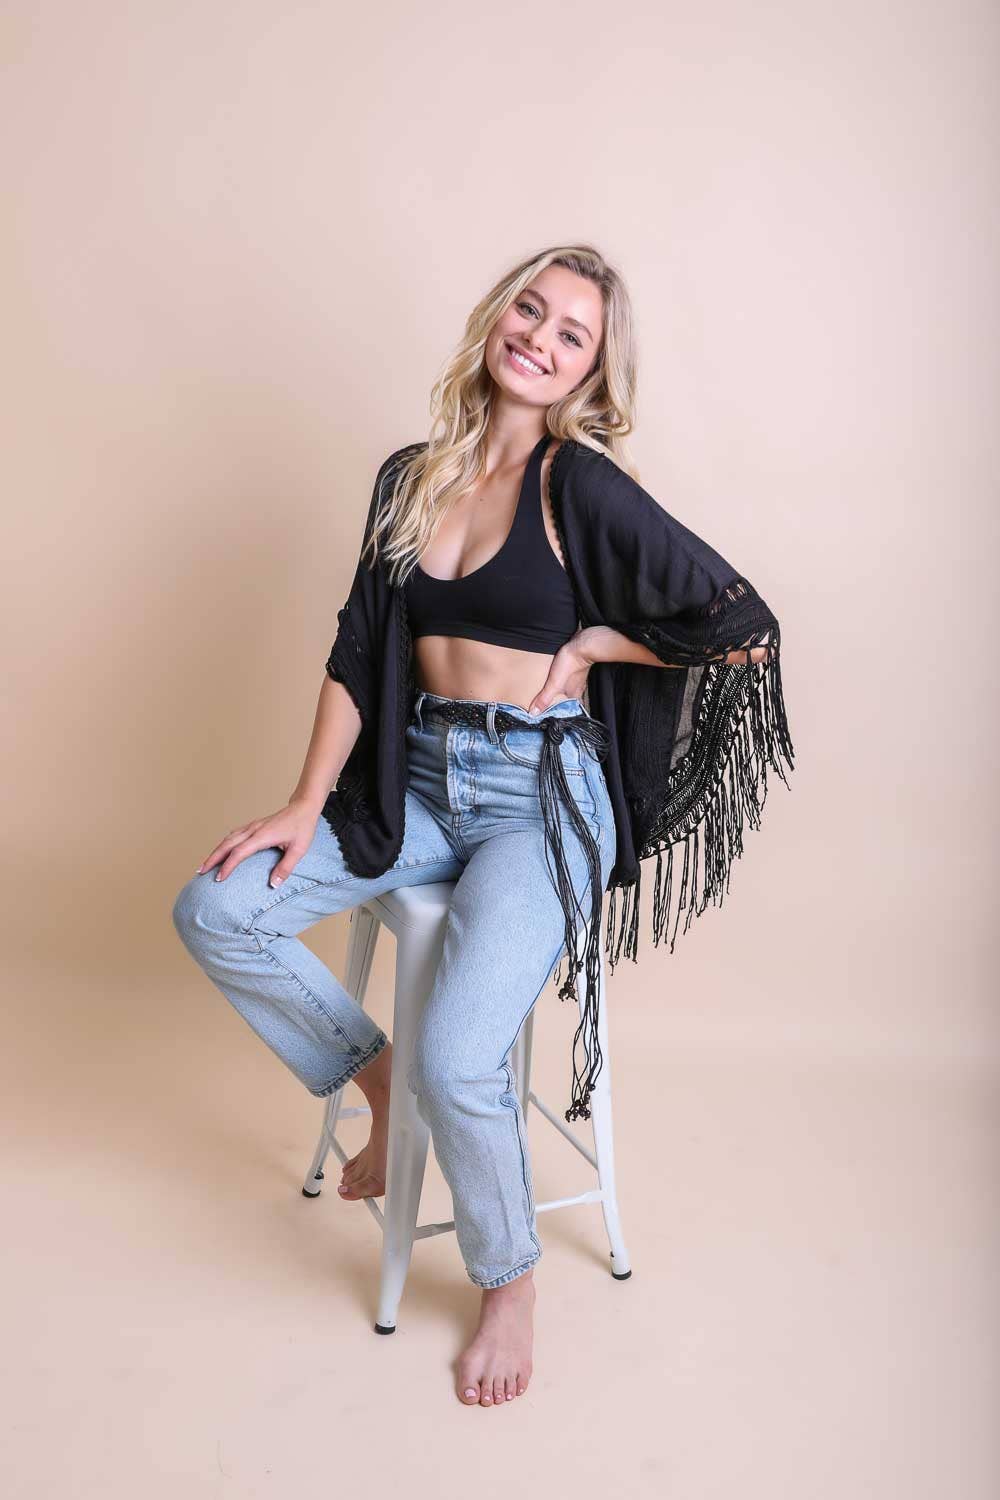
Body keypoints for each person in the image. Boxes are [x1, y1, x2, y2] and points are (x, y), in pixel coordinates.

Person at [172, 243, 794, 1411]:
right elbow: (361, 646)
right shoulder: (411, 476)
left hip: (539, 797)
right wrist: (305, 802)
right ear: (496, 315)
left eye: (572, 336)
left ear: (588, 372)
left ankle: (507, 1281)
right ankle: (379, 1081)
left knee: (465, 1053)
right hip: (414, 781)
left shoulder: (579, 486)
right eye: (531, 310)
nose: (540, 340)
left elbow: (743, 627)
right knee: (215, 907)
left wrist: (600, 643)